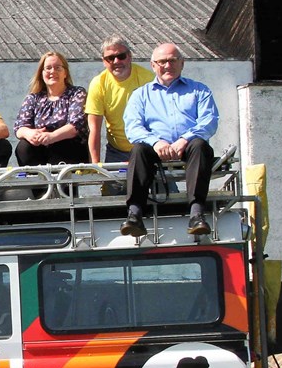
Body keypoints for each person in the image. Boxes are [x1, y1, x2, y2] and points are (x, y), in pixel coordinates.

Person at [121, 42, 219, 239]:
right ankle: (134, 215)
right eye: (162, 61)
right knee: (138, 149)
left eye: (172, 60)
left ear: (182, 63)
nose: (167, 65)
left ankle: (197, 215)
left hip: (189, 146)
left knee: (200, 145)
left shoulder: (200, 90)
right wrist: (156, 142)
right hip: (154, 148)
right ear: (153, 65)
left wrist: (184, 139)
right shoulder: (140, 95)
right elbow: (133, 127)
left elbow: (209, 121)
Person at [85, 35, 155, 163]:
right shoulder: (98, 84)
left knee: (163, 183)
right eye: (110, 58)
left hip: (147, 149)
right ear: (104, 61)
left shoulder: (148, 80)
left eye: (121, 56)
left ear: (129, 56)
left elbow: (159, 120)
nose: (116, 61)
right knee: (112, 184)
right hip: (116, 151)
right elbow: (94, 128)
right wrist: (95, 165)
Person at [13, 51, 88, 166]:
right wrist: (30, 134)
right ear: (42, 73)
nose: (52, 71)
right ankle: (35, 182)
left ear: (65, 73)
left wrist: (51, 136)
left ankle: (62, 183)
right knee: (24, 147)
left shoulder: (76, 93)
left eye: (58, 68)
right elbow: (19, 127)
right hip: (41, 148)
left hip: (68, 149)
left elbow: (76, 125)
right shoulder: (33, 98)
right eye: (48, 68)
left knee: (61, 145)